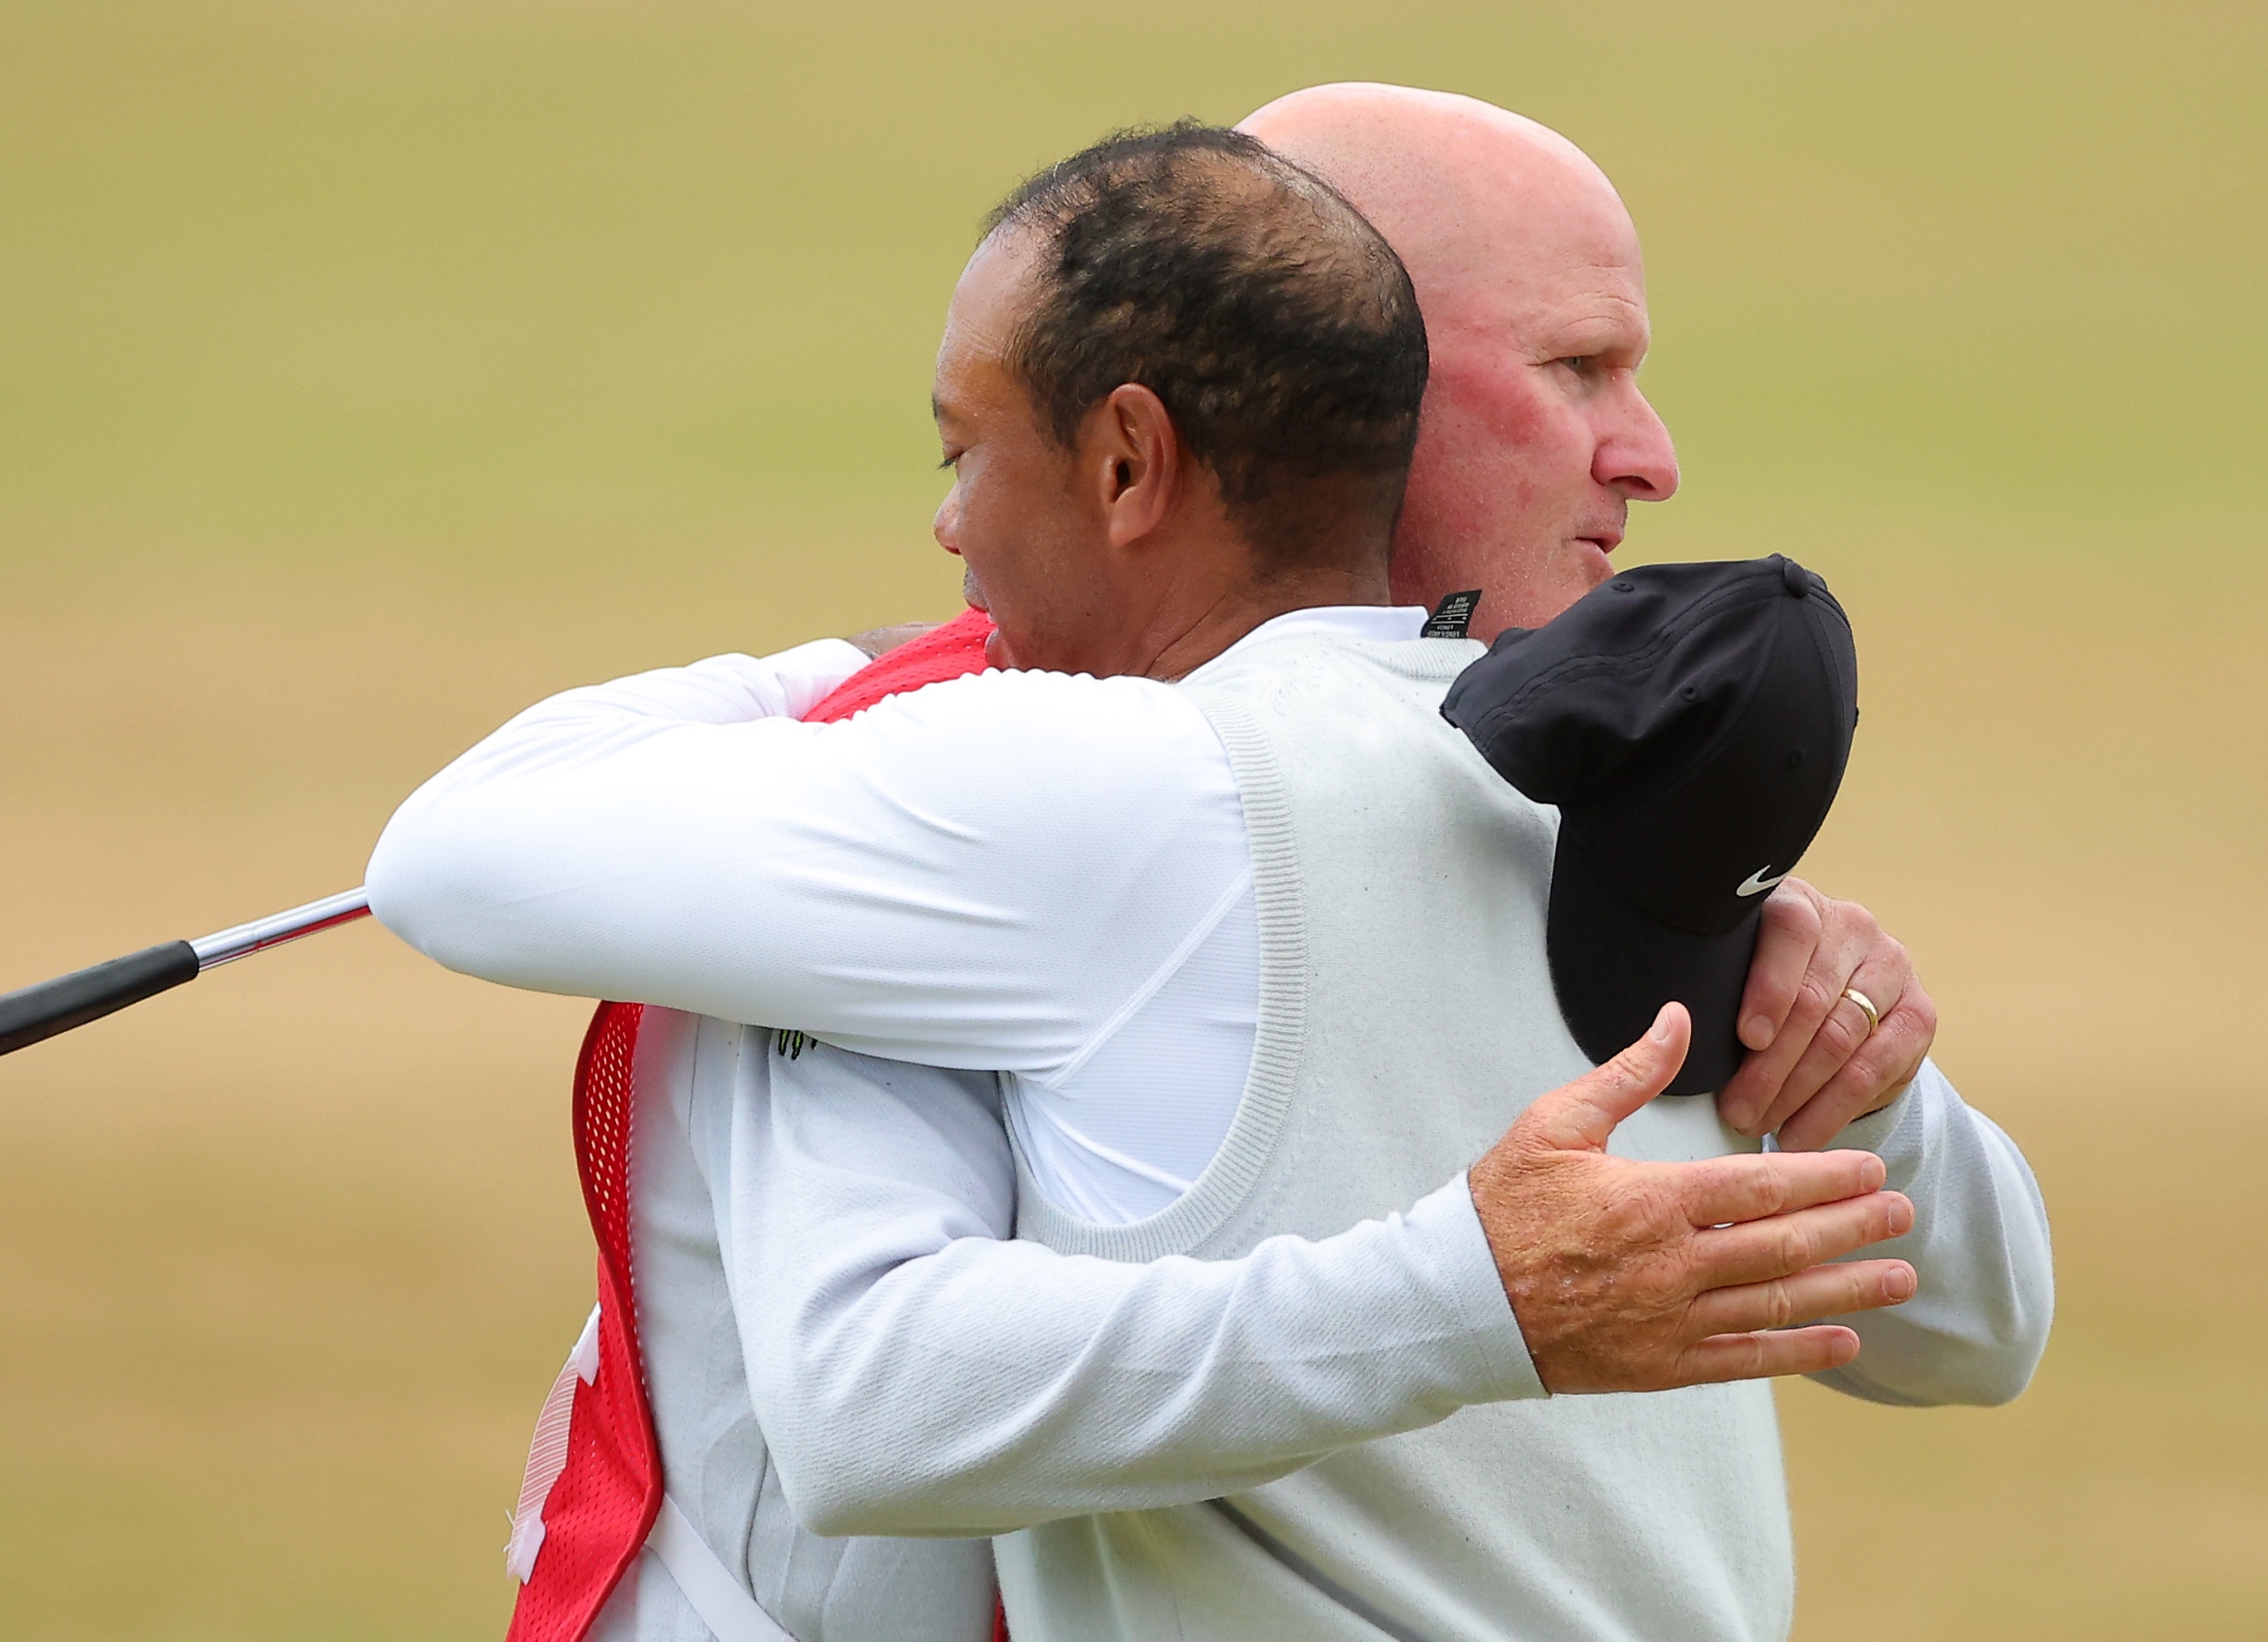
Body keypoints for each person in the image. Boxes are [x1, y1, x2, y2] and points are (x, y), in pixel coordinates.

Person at [370, 120, 2048, 1642]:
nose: (1652, 451)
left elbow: (1970, 1325)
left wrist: (1867, 1089)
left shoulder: (1592, 763)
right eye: (1580, 368)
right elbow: (862, 1432)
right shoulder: (1014, 793)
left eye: (966, 452)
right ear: (1367, 372)